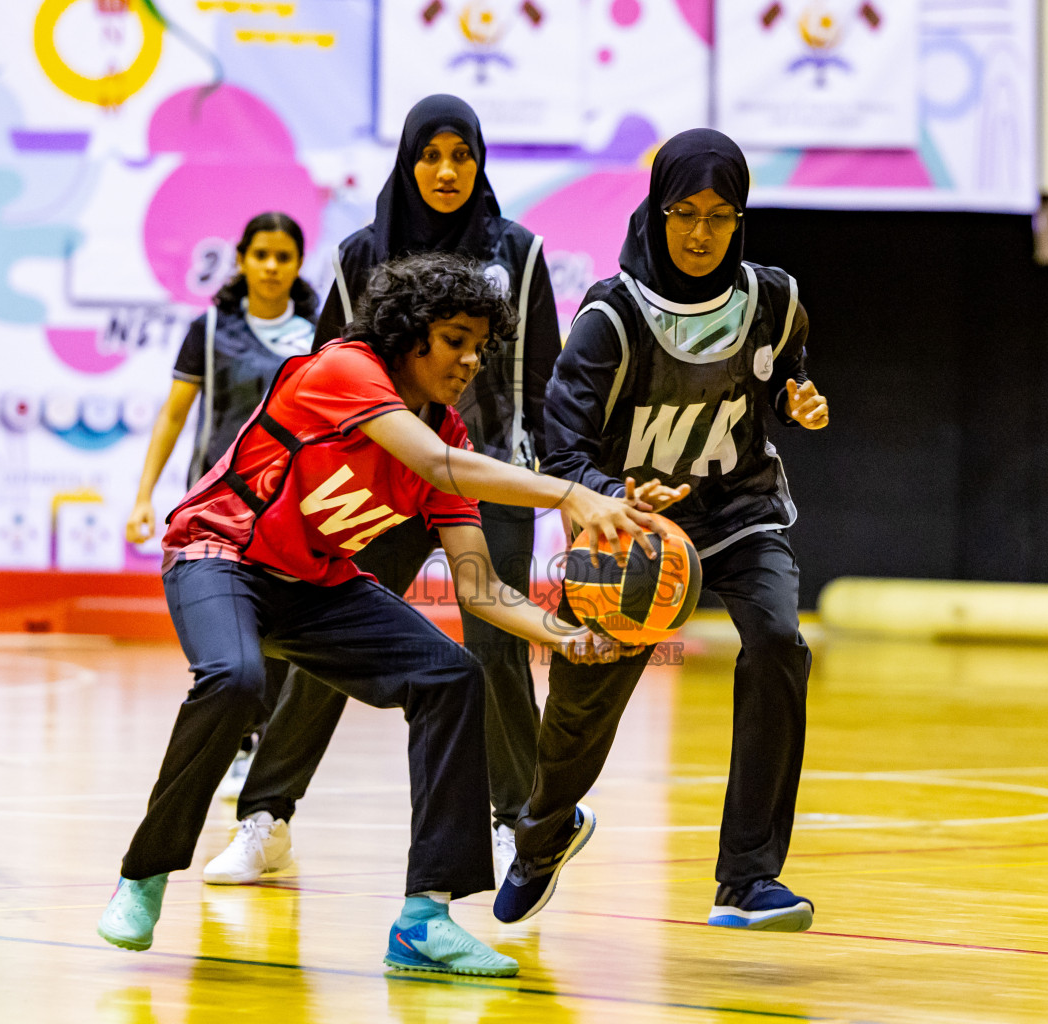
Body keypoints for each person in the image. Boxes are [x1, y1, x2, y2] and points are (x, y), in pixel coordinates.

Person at [96, 252, 655, 977]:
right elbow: (438, 467)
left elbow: (481, 589)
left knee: (452, 677)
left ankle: (424, 919)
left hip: (315, 584)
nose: (470, 359)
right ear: (411, 333)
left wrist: (569, 637)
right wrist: (566, 494)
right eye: (456, 338)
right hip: (219, 552)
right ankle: (143, 876)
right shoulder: (344, 369)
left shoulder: (449, 434)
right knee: (235, 679)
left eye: (481, 346)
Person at [207, 94, 560, 888]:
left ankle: (518, 826)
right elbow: (332, 374)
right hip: (381, 480)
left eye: (460, 155)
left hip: (488, 472)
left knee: (496, 641)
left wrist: (564, 483)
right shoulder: (360, 254)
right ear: (407, 162)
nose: (445, 171)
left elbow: (544, 380)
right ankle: (268, 817)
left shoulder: (521, 252)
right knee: (327, 642)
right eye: (429, 156)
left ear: (479, 163)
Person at [493, 129, 831, 933]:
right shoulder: (611, 317)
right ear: (657, 210)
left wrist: (798, 398)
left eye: (720, 215)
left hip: (740, 514)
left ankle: (748, 880)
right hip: (632, 527)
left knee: (780, 642)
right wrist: (614, 495)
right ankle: (544, 835)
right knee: (581, 699)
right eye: (684, 212)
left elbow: (787, 369)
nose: (701, 232)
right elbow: (559, 448)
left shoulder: (775, 299)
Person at [126, 211, 316, 805]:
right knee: (228, 631)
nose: (271, 267)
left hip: (291, 504)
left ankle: (259, 742)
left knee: (283, 629)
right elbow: (174, 414)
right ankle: (236, 741)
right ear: (241, 260)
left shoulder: (317, 334)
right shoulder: (208, 330)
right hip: (218, 507)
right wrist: (143, 495)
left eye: (283, 256)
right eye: (260, 254)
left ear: (297, 264)